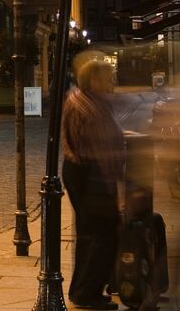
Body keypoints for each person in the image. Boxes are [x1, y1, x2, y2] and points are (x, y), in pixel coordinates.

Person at [61, 58, 126, 310]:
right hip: (91, 174)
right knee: (102, 234)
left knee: (91, 234)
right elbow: (100, 146)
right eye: (107, 77)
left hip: (83, 171)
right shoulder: (88, 105)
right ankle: (88, 293)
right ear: (94, 80)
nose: (111, 82)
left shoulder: (86, 99)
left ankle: (83, 290)